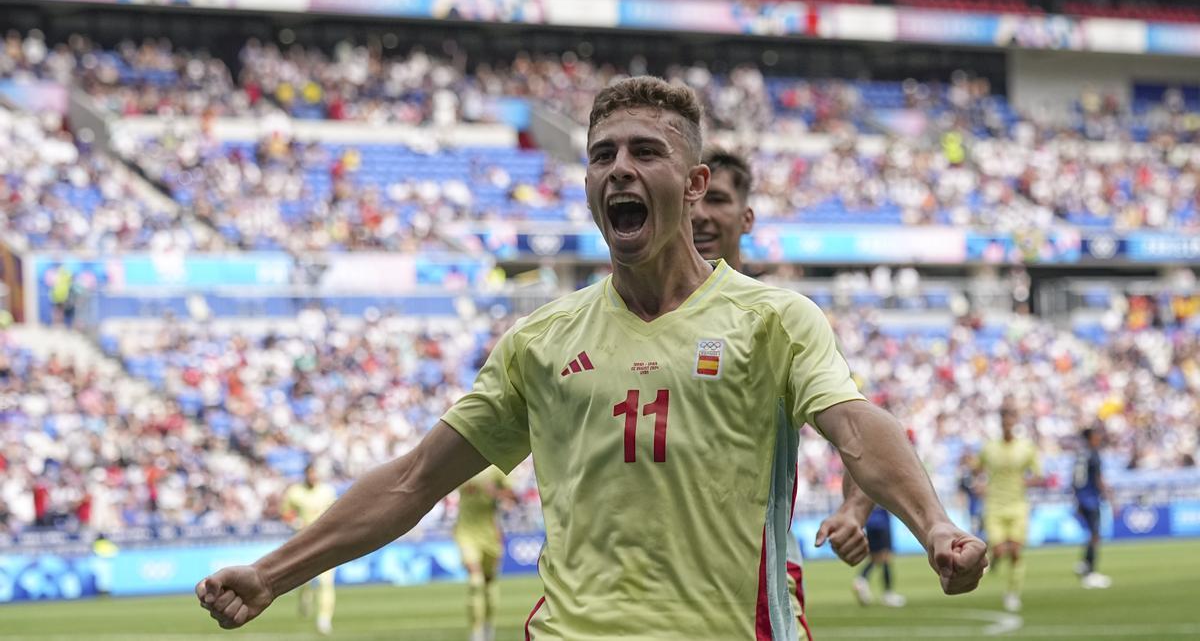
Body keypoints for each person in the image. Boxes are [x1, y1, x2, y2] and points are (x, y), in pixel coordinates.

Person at [196, 76, 987, 640]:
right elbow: (412, 480)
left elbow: (855, 426)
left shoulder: (772, 318)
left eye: (646, 152)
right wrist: (273, 572)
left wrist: (934, 524)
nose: (620, 170)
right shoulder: (539, 343)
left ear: (694, 180)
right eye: (603, 155)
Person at [694, 147, 874, 637]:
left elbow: (855, 426)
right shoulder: (638, 313)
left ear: (746, 216)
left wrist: (855, 509)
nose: (701, 214)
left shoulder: (782, 319)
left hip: (759, 575)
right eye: (693, 197)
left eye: (718, 200)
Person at [978, 405, 1043, 613]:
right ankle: (995, 557)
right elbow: (976, 469)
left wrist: (1026, 482)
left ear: (1014, 423)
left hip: (1017, 505)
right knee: (998, 550)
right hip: (994, 506)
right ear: (1001, 423)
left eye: (1010, 420)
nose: (1007, 424)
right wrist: (978, 484)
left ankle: (1012, 593)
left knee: (1015, 551)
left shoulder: (1026, 447)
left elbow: (1038, 475)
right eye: (1004, 421)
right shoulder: (989, 448)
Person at [455, 466, 517, 641]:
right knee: (476, 581)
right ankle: (476, 633)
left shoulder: (496, 469)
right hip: (465, 532)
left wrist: (495, 492)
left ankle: (488, 628)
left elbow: (513, 497)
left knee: (490, 585)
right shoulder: (460, 463)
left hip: (490, 534)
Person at [279, 462, 337, 635]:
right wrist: (294, 522)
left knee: (326, 582)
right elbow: (285, 512)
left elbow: (336, 512)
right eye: (310, 473)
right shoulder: (295, 492)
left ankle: (324, 620)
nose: (313, 477)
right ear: (305, 475)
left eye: (315, 473)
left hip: (324, 541)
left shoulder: (327, 491)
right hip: (303, 541)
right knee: (304, 580)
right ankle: (304, 599)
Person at [1074, 426, 1113, 589]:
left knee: (1092, 534)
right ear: (1090, 438)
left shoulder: (1081, 454)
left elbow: (1075, 480)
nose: (1099, 437)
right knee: (1095, 535)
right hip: (1091, 499)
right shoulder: (1093, 454)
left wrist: (1077, 499)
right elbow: (1098, 478)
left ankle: (1084, 564)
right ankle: (1090, 572)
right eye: (1096, 435)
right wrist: (1109, 495)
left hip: (1082, 498)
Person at [852, 507, 906, 607]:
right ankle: (888, 594)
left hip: (870, 522)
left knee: (875, 558)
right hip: (882, 522)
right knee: (886, 557)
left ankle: (861, 579)